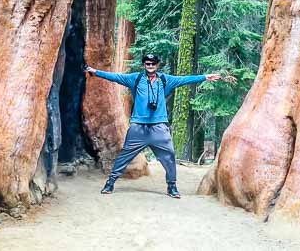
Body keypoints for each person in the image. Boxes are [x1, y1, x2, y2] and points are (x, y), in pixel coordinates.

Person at [85, 52, 224, 199]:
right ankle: (110, 183)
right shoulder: (136, 78)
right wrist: (95, 72)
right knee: (125, 155)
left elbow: (184, 79)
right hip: (138, 127)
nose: (150, 66)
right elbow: (116, 77)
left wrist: (204, 77)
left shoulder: (165, 79)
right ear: (144, 65)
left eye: (152, 63)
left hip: (159, 128)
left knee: (169, 156)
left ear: (157, 65)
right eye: (147, 63)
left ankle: (172, 186)